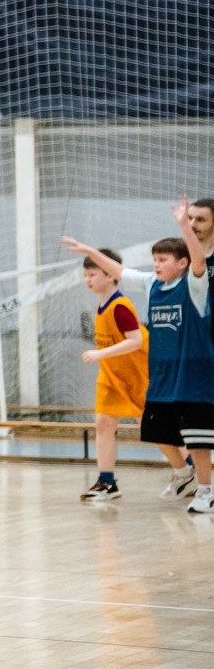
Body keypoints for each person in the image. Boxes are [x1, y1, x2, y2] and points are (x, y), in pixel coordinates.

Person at [127, 206, 212, 510]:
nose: (156, 264)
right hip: (162, 376)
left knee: (198, 441)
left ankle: (207, 490)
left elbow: (199, 261)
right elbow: (120, 272)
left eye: (162, 259)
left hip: (194, 373)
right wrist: (89, 252)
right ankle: (184, 476)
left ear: (182, 263)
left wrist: (183, 226)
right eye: (155, 260)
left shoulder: (194, 283)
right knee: (156, 429)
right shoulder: (154, 285)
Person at [63, 241, 147, 503]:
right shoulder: (102, 305)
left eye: (92, 274)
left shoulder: (119, 306)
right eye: (85, 275)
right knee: (103, 424)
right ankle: (107, 482)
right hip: (111, 376)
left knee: (156, 430)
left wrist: (100, 354)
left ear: (110, 275)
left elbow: (136, 341)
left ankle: (188, 470)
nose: (87, 280)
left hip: (137, 375)